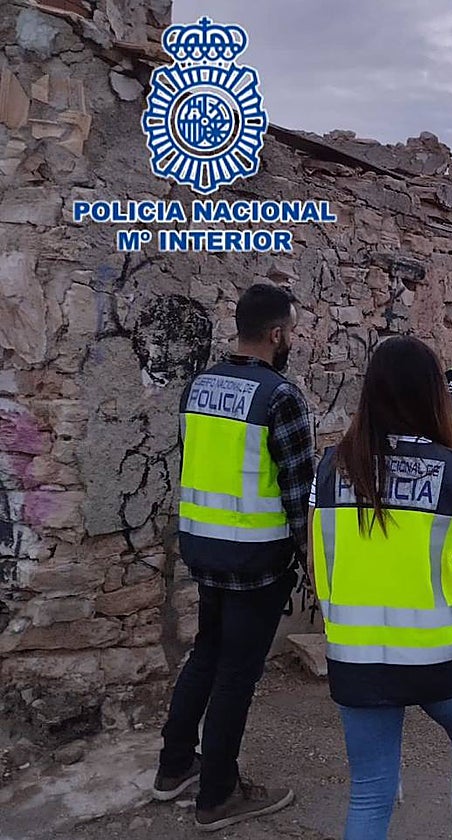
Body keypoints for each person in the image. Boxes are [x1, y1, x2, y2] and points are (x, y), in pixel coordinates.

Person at [310, 336, 452, 840]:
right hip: (440, 655)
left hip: (357, 654)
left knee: (370, 790)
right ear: (433, 395)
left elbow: (316, 558)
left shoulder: (330, 468)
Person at [155, 283, 312, 831]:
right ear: (275, 334)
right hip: (257, 558)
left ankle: (174, 766)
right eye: (290, 331)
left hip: (203, 545)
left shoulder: (199, 385)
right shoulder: (281, 397)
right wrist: (312, 561)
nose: (290, 340)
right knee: (237, 673)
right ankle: (218, 794)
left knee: (207, 651)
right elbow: (298, 492)